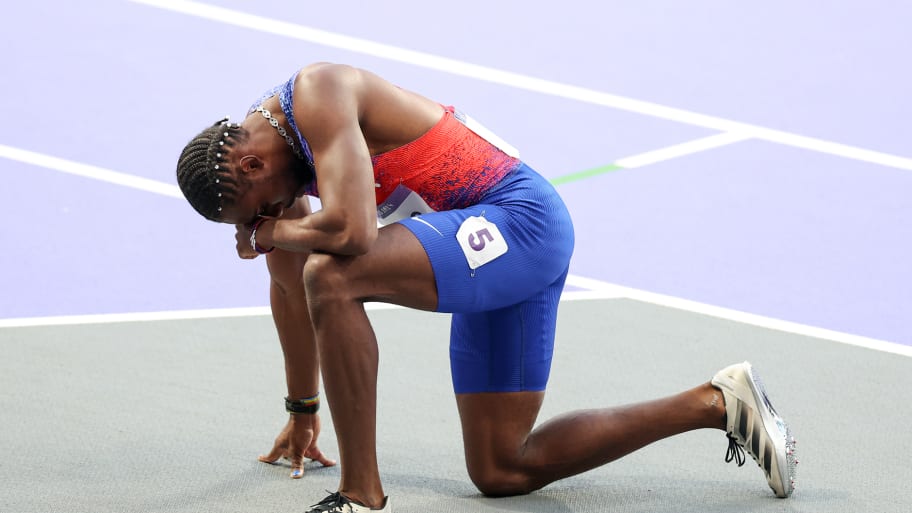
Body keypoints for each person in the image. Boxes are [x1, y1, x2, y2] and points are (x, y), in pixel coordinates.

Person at [175, 62, 797, 512]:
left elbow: (353, 233)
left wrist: (271, 231)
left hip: (519, 222)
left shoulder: (317, 93)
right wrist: (301, 410)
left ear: (252, 164)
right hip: (485, 248)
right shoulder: (282, 160)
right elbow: (287, 287)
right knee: (502, 468)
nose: (267, 217)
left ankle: (361, 495)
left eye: (259, 206)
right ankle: (718, 402)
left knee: (332, 272)